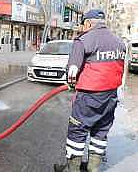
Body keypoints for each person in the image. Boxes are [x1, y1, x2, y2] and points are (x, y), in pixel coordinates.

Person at [54, 9, 126, 172]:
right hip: (110, 97)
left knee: (77, 133)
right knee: (100, 132)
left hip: (88, 98)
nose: (82, 28)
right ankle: (93, 168)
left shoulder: (84, 40)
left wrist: (72, 82)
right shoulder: (119, 42)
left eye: (82, 25)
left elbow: (72, 72)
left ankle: (72, 169)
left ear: (88, 23)